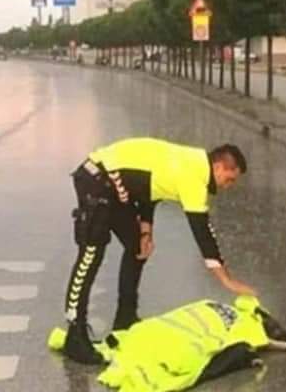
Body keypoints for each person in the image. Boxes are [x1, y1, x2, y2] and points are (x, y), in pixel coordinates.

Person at [63, 137, 258, 364]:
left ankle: (125, 319)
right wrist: (227, 281)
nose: (228, 186)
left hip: (115, 187)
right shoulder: (194, 176)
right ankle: (75, 337)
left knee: (139, 247)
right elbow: (203, 233)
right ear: (218, 167)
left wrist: (146, 229)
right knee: (91, 255)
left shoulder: (191, 162)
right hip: (96, 178)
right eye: (229, 179)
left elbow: (151, 188)